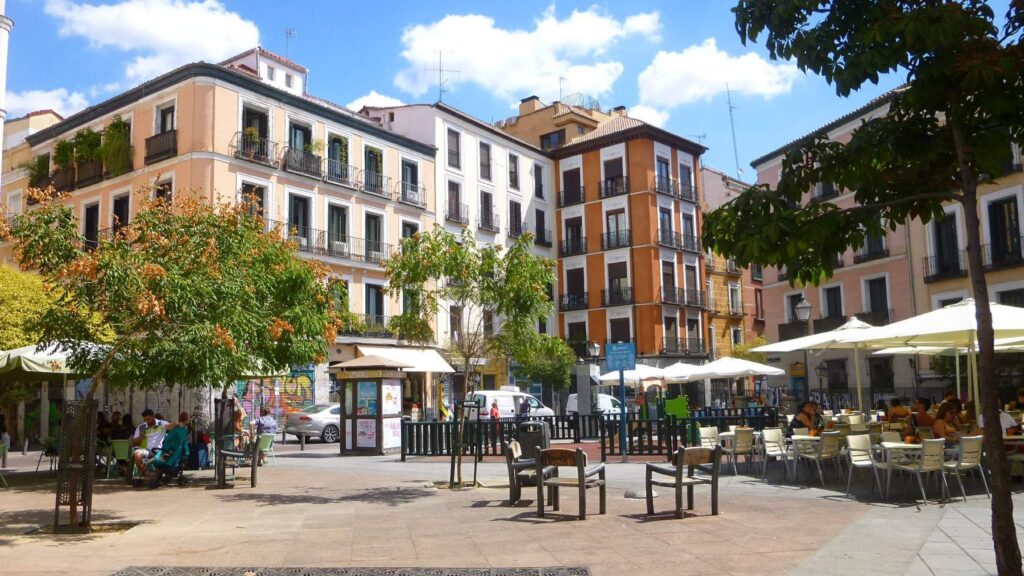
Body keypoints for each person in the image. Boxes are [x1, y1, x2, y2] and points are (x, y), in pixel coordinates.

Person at [131, 409, 168, 478]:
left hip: (157, 451)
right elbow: (134, 442)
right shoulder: (142, 427)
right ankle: (146, 474)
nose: (147, 422)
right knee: (137, 455)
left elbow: (170, 426)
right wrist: (141, 437)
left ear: (153, 417)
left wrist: (176, 424)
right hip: (145, 450)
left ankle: (153, 474)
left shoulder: (161, 423)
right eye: (145, 420)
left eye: (149, 419)